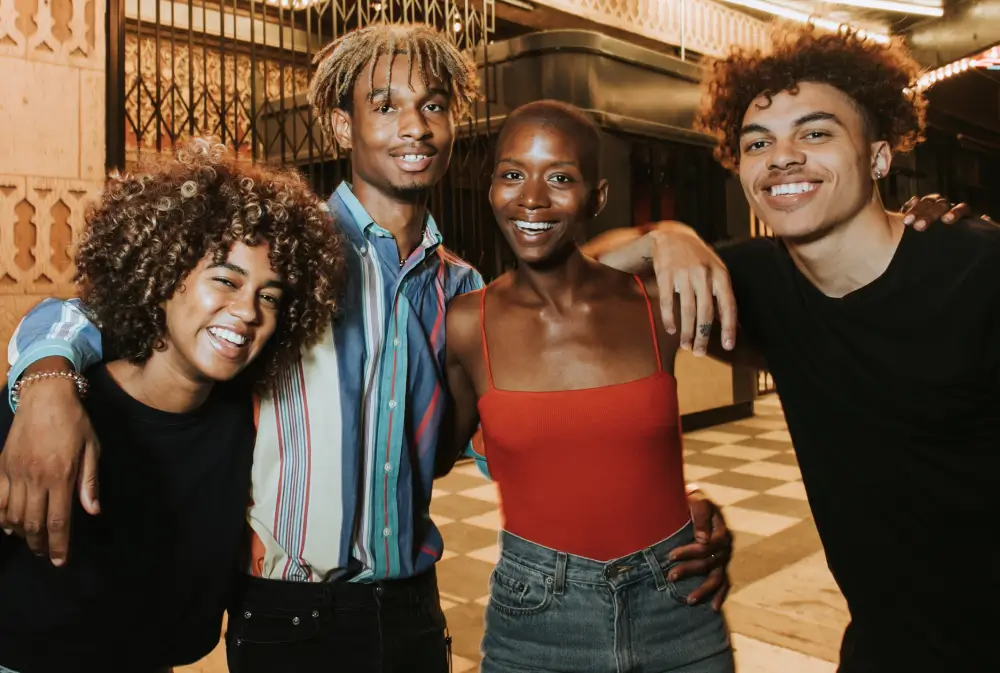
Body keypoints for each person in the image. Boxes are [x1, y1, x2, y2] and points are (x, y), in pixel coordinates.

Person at [0, 24, 732, 672]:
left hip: (413, 608)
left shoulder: (465, 290)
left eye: (434, 106)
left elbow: (521, 438)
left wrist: (664, 509)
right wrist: (48, 381)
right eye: (385, 106)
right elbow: (91, 310)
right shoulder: (280, 258)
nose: (414, 126)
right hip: (286, 615)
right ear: (342, 127)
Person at [588, 24, 999, 673]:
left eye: (815, 132)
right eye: (759, 142)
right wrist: (661, 235)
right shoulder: (758, 281)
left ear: (879, 157)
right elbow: (562, 288)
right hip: (882, 648)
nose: (782, 156)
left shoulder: (976, 272)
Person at [0, 138, 345, 673]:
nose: (248, 311)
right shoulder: (52, 409)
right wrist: (46, 378)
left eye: (270, 295)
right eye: (225, 280)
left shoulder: (245, 417)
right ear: (164, 274)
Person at [440, 100, 735, 673]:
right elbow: (426, 458)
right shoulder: (465, 323)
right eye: (511, 173)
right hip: (537, 622)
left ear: (596, 197)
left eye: (559, 178)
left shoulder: (654, 302)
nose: (531, 197)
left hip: (677, 603)